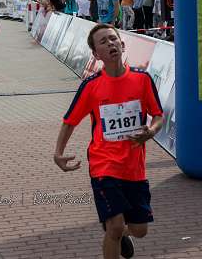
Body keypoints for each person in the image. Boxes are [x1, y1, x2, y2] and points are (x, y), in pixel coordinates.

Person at [54, 23, 164, 259]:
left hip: (134, 167)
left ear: (122, 45)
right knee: (113, 227)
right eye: (103, 42)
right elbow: (70, 121)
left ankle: (125, 234)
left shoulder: (142, 80)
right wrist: (58, 152)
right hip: (104, 163)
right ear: (96, 54)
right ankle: (116, 232)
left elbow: (158, 115)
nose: (110, 44)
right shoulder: (91, 86)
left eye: (113, 39)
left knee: (140, 230)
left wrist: (152, 131)